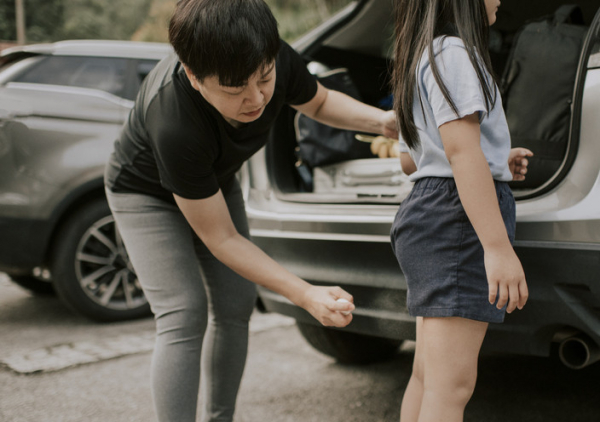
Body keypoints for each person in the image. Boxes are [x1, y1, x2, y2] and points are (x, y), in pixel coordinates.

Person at [104, 0, 397, 421]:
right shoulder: (174, 121)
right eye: (234, 89)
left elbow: (318, 102)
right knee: (184, 313)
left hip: (214, 182)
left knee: (236, 301)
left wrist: (382, 122)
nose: (256, 98)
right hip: (145, 194)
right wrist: (305, 293)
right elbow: (220, 238)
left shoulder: (266, 52)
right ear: (193, 76)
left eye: (264, 79)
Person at [390, 1, 532, 421]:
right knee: (452, 386)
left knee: (429, 377)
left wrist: (495, 160)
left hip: (431, 213)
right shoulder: (455, 54)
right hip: (457, 222)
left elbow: (412, 159)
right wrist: (498, 248)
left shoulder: (423, 56)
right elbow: (459, 149)